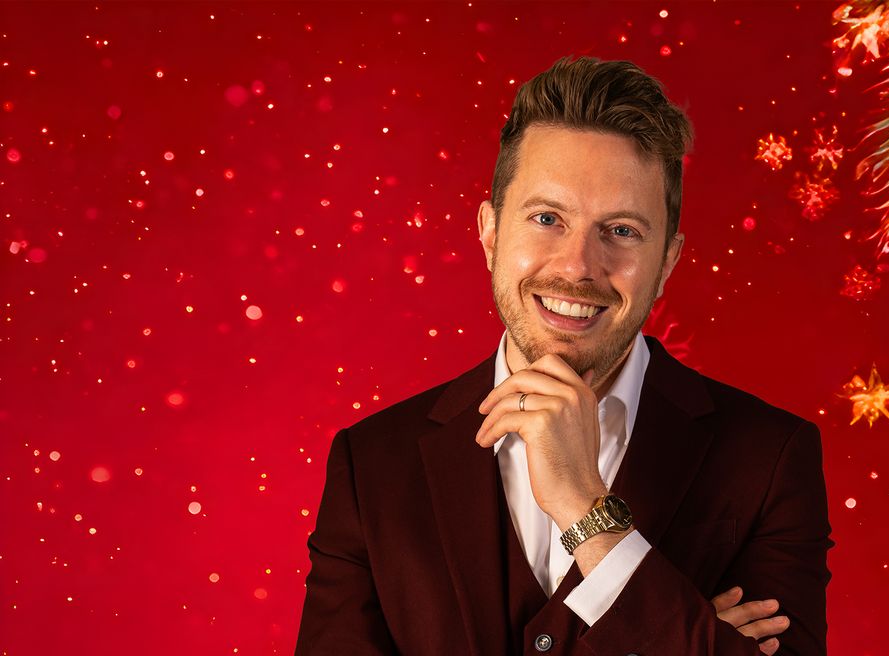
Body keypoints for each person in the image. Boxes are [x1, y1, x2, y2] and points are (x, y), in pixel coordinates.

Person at [294, 55, 833, 655]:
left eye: (622, 230)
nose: (578, 267)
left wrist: (587, 510)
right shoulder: (372, 464)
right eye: (547, 218)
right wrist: (691, 634)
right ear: (491, 233)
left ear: (667, 261)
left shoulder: (769, 456)